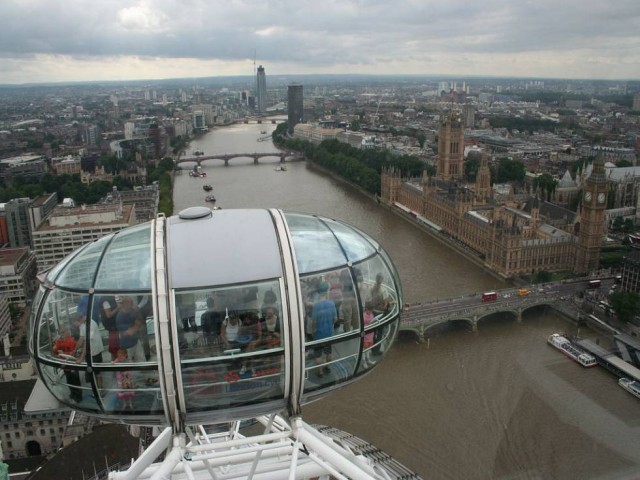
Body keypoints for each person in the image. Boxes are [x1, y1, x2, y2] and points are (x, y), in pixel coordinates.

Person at [311, 281, 337, 378]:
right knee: (328, 352)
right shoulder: (331, 303)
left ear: (318, 292)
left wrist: (313, 331)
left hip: (319, 334)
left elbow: (314, 322)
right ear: (326, 291)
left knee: (318, 355)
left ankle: (320, 371)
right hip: (329, 333)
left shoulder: (316, 306)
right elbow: (335, 319)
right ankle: (328, 367)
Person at [75, 311, 105, 387]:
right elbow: (81, 339)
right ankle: (95, 387)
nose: (76, 325)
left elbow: (87, 344)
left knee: (97, 373)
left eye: (76, 322)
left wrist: (81, 358)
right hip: (89, 353)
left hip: (95, 352)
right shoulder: (82, 325)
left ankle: (101, 389)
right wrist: (74, 350)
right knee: (90, 373)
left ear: (81, 318)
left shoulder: (91, 324)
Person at [52, 326, 82, 403]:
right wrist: (54, 348)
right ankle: (72, 393)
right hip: (65, 365)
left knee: (75, 380)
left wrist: (63, 353)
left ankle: (78, 396)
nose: (63, 334)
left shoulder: (72, 341)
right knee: (69, 380)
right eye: (62, 332)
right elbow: (55, 352)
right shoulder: (59, 342)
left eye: (64, 331)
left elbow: (74, 353)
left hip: (72, 364)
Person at [116, 296, 144, 362]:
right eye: (130, 304)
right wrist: (137, 326)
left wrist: (138, 324)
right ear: (125, 304)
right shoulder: (120, 316)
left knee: (142, 360)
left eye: (132, 303)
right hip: (126, 345)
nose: (132, 305)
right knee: (129, 363)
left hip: (136, 341)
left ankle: (144, 370)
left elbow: (140, 324)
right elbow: (128, 332)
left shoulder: (132, 312)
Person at [98, 296, 119, 360]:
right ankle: (115, 361)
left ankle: (114, 361)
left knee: (114, 346)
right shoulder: (106, 301)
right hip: (112, 327)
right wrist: (118, 307)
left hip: (113, 327)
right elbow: (108, 315)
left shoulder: (109, 299)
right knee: (115, 346)